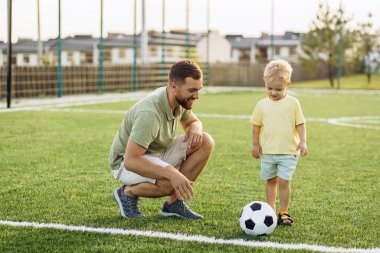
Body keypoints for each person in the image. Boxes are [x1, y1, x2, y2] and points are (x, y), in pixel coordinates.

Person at [109, 59, 214, 220]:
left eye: (199, 90)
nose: (196, 96)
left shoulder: (177, 100)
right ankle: (126, 193)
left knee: (205, 141)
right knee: (169, 182)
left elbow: (193, 122)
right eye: (192, 90)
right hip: (125, 163)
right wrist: (171, 173)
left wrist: (195, 128)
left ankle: (174, 203)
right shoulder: (149, 114)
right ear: (173, 86)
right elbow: (131, 160)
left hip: (156, 153)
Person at [250, 59, 308, 226]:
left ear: (288, 84)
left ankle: (283, 212)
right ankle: (270, 210)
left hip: (289, 151)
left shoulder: (293, 103)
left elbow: (301, 124)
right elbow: (256, 126)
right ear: (265, 83)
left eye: (278, 89)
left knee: (284, 181)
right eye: (269, 88)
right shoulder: (262, 105)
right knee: (271, 181)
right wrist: (255, 145)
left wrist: (303, 142)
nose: (273, 92)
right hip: (268, 151)